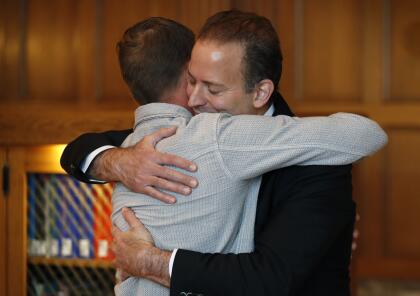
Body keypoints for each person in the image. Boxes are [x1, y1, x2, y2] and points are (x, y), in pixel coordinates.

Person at [61, 10, 387, 296]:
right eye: (191, 81)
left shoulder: (319, 164)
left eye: (212, 88)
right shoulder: (187, 131)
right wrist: (119, 161)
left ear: (260, 92)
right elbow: (79, 150)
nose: (193, 99)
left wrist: (150, 262)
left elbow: (270, 280)